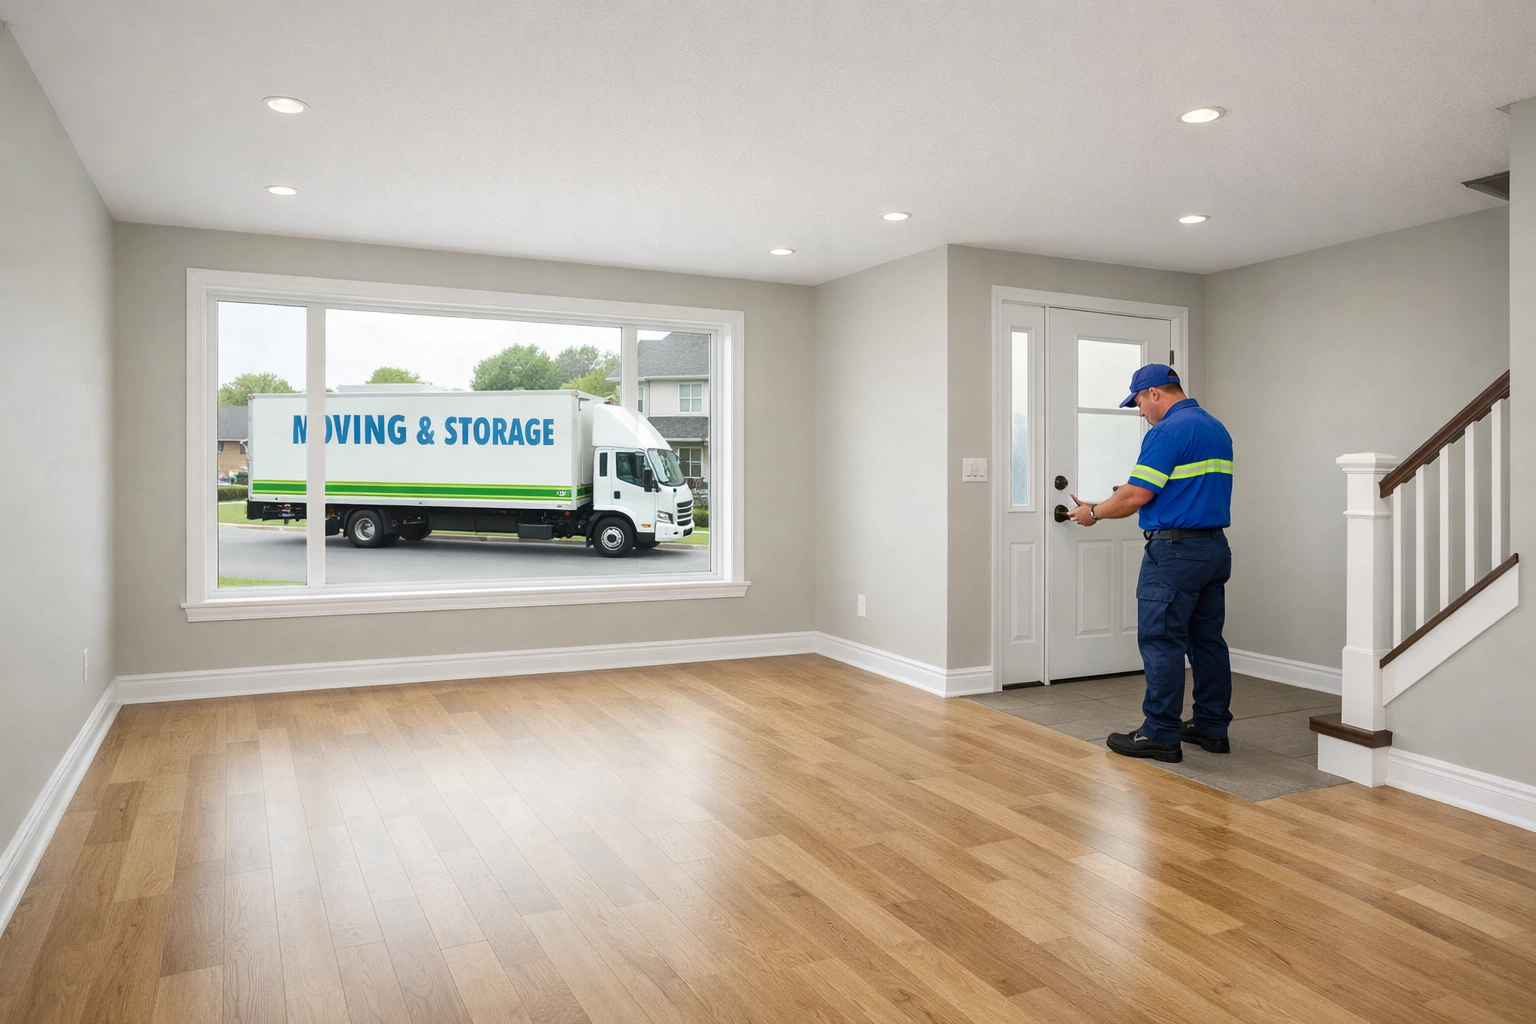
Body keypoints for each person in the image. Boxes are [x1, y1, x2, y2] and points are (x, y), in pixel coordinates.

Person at [1065, 364, 1233, 763]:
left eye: (1139, 402)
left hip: (1174, 555)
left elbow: (1136, 497)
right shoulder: (1215, 428)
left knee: (1162, 642)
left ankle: (1159, 733)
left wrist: (1094, 512)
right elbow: (1180, 487)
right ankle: (1211, 726)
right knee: (1207, 642)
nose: (1140, 411)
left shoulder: (1167, 431)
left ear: (1155, 393)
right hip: (1212, 550)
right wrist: (1124, 494)